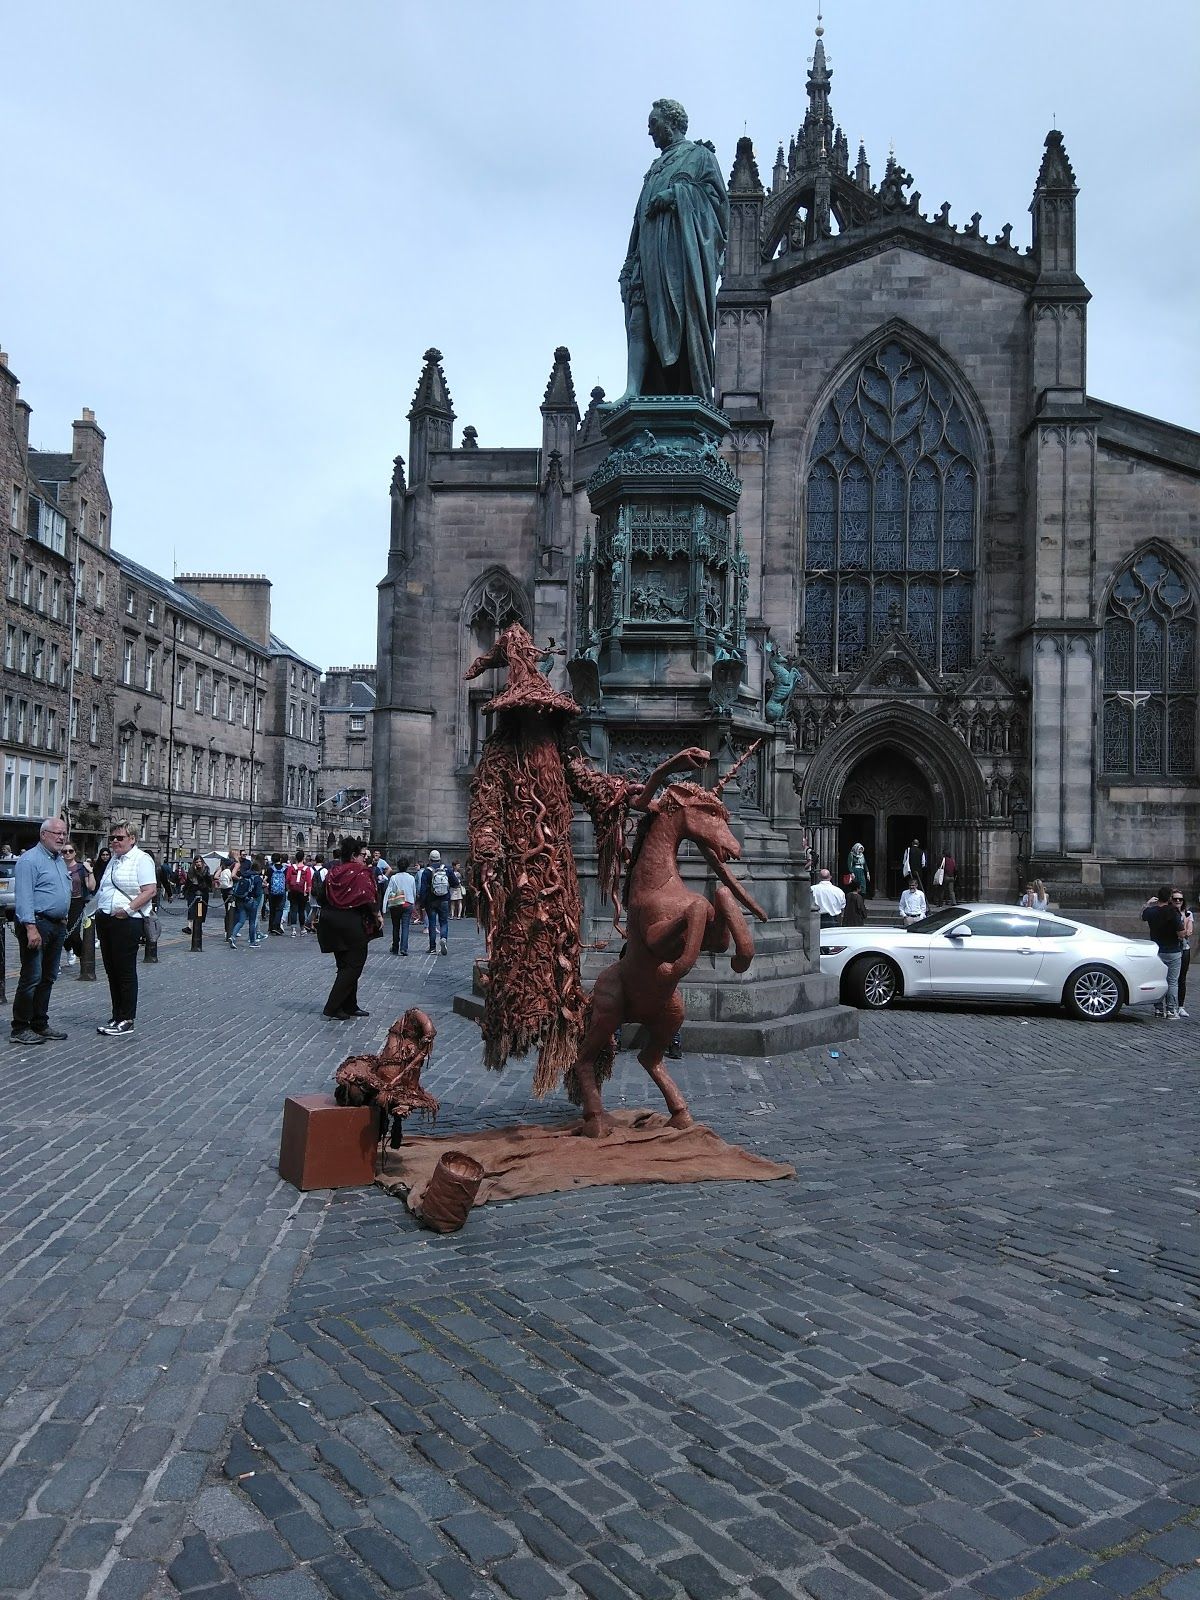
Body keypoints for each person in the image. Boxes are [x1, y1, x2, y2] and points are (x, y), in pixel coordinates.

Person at [617, 98, 729, 403]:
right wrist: (631, 259)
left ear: (672, 122)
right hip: (648, 252)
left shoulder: (699, 156)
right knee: (638, 315)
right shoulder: (655, 167)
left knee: (682, 320)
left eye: (653, 124)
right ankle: (633, 390)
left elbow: (720, 207)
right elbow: (639, 216)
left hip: (680, 256)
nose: (650, 132)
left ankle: (685, 388)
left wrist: (677, 195)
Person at [10, 818, 73, 1045]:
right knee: (32, 977)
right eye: (56, 833)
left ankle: (39, 1023)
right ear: (43, 834)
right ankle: (20, 1027)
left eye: (63, 833)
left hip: (56, 925)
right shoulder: (30, 860)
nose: (61, 837)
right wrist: (30, 928)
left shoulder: (58, 859)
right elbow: (24, 897)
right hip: (36, 924)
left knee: (48, 977)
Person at [94, 821, 158, 1036]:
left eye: (119, 838)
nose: (114, 842)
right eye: (112, 838)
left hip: (127, 922)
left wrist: (128, 910)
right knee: (112, 969)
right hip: (106, 919)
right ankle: (117, 1014)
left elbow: (149, 890)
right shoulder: (114, 859)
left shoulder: (142, 859)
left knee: (125, 970)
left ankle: (127, 1018)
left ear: (132, 839)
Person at [316, 837, 382, 1020]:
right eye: (362, 855)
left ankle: (349, 1005)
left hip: (331, 920)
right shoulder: (360, 872)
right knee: (354, 966)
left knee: (344, 964)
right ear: (354, 855)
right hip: (351, 921)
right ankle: (332, 1006)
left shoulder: (333, 871)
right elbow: (368, 896)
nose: (365, 859)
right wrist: (377, 915)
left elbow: (321, 895)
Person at [1142, 886, 1184, 1019]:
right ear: (1170, 898)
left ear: (1158, 897)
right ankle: (1171, 1010)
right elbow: (1181, 933)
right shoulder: (1173, 912)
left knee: (1158, 980)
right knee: (1172, 982)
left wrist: (1147, 904)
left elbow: (1142, 916)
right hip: (1173, 950)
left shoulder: (1151, 911)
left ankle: (1158, 1009)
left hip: (1157, 950)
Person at [61, 842, 96, 968]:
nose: (67, 854)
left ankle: (82, 955)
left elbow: (91, 887)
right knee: (61, 931)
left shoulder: (81, 868)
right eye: (64, 851)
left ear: (75, 853)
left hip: (76, 901)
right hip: (61, 902)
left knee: (74, 932)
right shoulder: (58, 867)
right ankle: (69, 949)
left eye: (70, 851)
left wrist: (90, 871)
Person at [417, 849, 458, 954]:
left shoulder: (427, 871)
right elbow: (456, 883)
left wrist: (422, 903)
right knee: (443, 922)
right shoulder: (447, 869)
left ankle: (432, 948)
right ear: (440, 859)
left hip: (431, 901)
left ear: (430, 859)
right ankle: (443, 938)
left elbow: (423, 889)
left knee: (432, 924)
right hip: (444, 899)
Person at [228, 854, 266, 949]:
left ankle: (232, 936)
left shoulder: (244, 875)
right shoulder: (257, 878)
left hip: (241, 899)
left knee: (241, 921)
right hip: (251, 901)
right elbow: (257, 893)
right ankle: (252, 942)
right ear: (259, 869)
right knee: (252, 922)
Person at [383, 855, 417, 956]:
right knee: (405, 927)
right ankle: (404, 948)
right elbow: (414, 891)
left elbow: (389, 891)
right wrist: (413, 902)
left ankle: (395, 947)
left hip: (396, 904)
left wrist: (384, 906)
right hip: (408, 904)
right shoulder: (411, 878)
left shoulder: (394, 878)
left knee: (396, 926)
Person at [184, 855, 212, 952]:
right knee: (191, 908)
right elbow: (188, 881)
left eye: (200, 861)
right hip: (192, 891)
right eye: (196, 862)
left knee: (201, 910)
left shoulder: (206, 870)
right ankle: (190, 926)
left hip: (202, 892)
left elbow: (208, 881)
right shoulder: (191, 870)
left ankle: (199, 925)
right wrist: (185, 891)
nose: (198, 863)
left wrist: (198, 872)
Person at [285, 850, 311, 936]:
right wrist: (308, 892)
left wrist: (289, 889)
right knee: (301, 910)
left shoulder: (291, 868)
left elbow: (288, 880)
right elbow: (309, 882)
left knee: (293, 909)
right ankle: (302, 929)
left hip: (293, 891)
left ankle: (293, 930)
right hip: (303, 892)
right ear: (303, 858)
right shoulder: (307, 869)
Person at [1175, 890, 1193, 1019]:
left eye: (1180, 899)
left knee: (1182, 978)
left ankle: (1181, 1007)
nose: (1177, 901)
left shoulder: (1187, 913)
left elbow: (1188, 931)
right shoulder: (1169, 913)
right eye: (1175, 899)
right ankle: (1168, 1007)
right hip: (1172, 948)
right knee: (1170, 979)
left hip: (1184, 947)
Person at [267, 854, 288, 935]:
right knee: (279, 909)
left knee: (272, 909)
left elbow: (268, 879)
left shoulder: (270, 869)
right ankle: (276, 926)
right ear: (280, 859)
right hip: (282, 891)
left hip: (272, 891)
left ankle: (271, 927)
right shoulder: (285, 869)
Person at [307, 854, 327, 931]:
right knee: (321, 909)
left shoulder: (310, 869)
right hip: (321, 892)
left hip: (312, 891)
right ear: (323, 861)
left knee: (314, 909)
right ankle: (320, 924)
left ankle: (311, 924)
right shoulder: (325, 870)